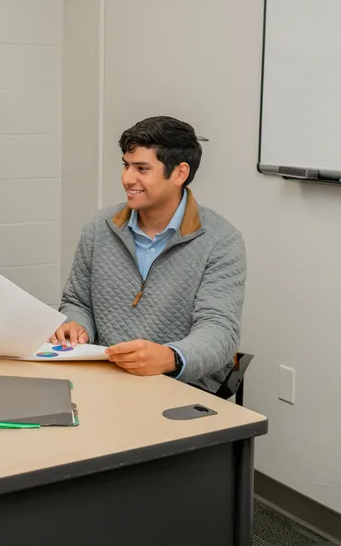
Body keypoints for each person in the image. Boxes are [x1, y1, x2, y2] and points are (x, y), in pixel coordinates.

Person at [52, 115, 246, 392]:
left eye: (142, 168)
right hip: (104, 381)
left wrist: (170, 357)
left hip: (180, 388)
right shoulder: (98, 228)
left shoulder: (221, 241)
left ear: (179, 173)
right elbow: (77, 302)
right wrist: (76, 326)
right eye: (126, 165)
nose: (127, 178)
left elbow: (219, 331)